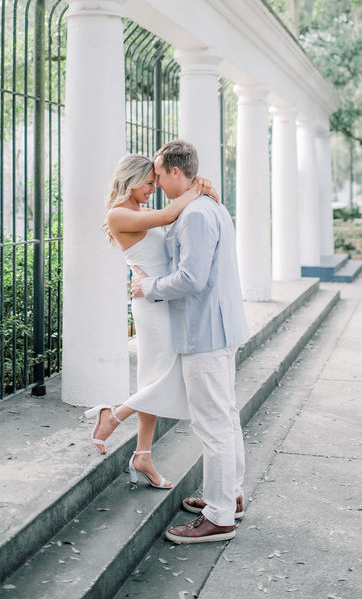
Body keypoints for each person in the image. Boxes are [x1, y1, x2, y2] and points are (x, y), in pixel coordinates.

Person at [131, 139, 249, 544]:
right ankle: (229, 497)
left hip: (205, 333)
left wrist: (148, 287)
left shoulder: (196, 214)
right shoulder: (208, 205)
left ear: (176, 172)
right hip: (220, 328)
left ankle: (219, 517)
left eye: (160, 174)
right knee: (225, 418)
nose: (157, 182)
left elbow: (191, 279)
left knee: (213, 425)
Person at [85, 153, 216, 490]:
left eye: (155, 183)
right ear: (130, 180)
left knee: (154, 377)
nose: (153, 189)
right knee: (169, 374)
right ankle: (112, 416)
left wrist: (198, 189)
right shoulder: (119, 214)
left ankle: (143, 454)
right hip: (151, 305)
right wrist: (197, 188)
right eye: (148, 183)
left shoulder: (140, 211)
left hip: (159, 296)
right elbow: (171, 214)